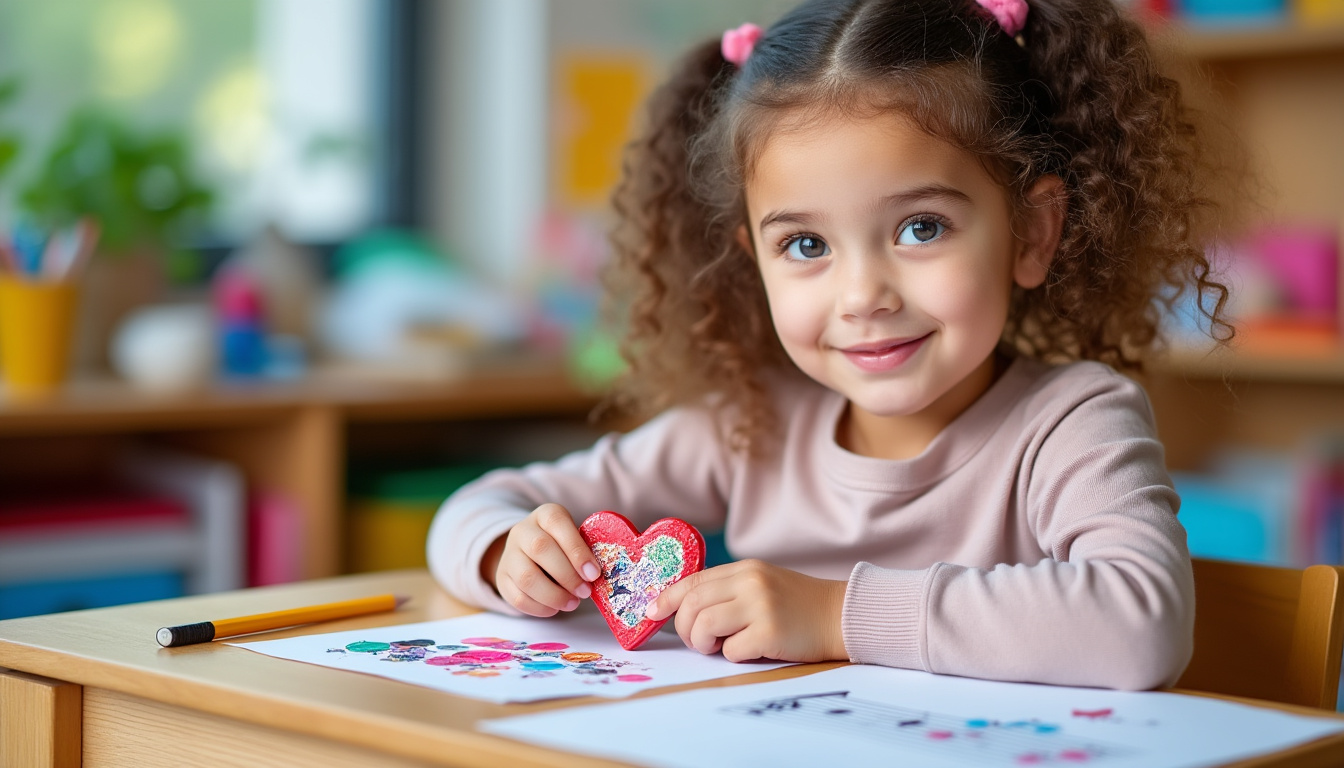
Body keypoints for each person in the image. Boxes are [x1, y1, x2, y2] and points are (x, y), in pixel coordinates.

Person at [428, 0, 1234, 690]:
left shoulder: (1072, 422)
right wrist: (509, 552)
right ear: (756, 262)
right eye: (806, 246)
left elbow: (1141, 623)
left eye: (922, 228)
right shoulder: (747, 424)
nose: (862, 297)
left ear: (1032, 233)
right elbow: (475, 507)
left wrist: (834, 614)